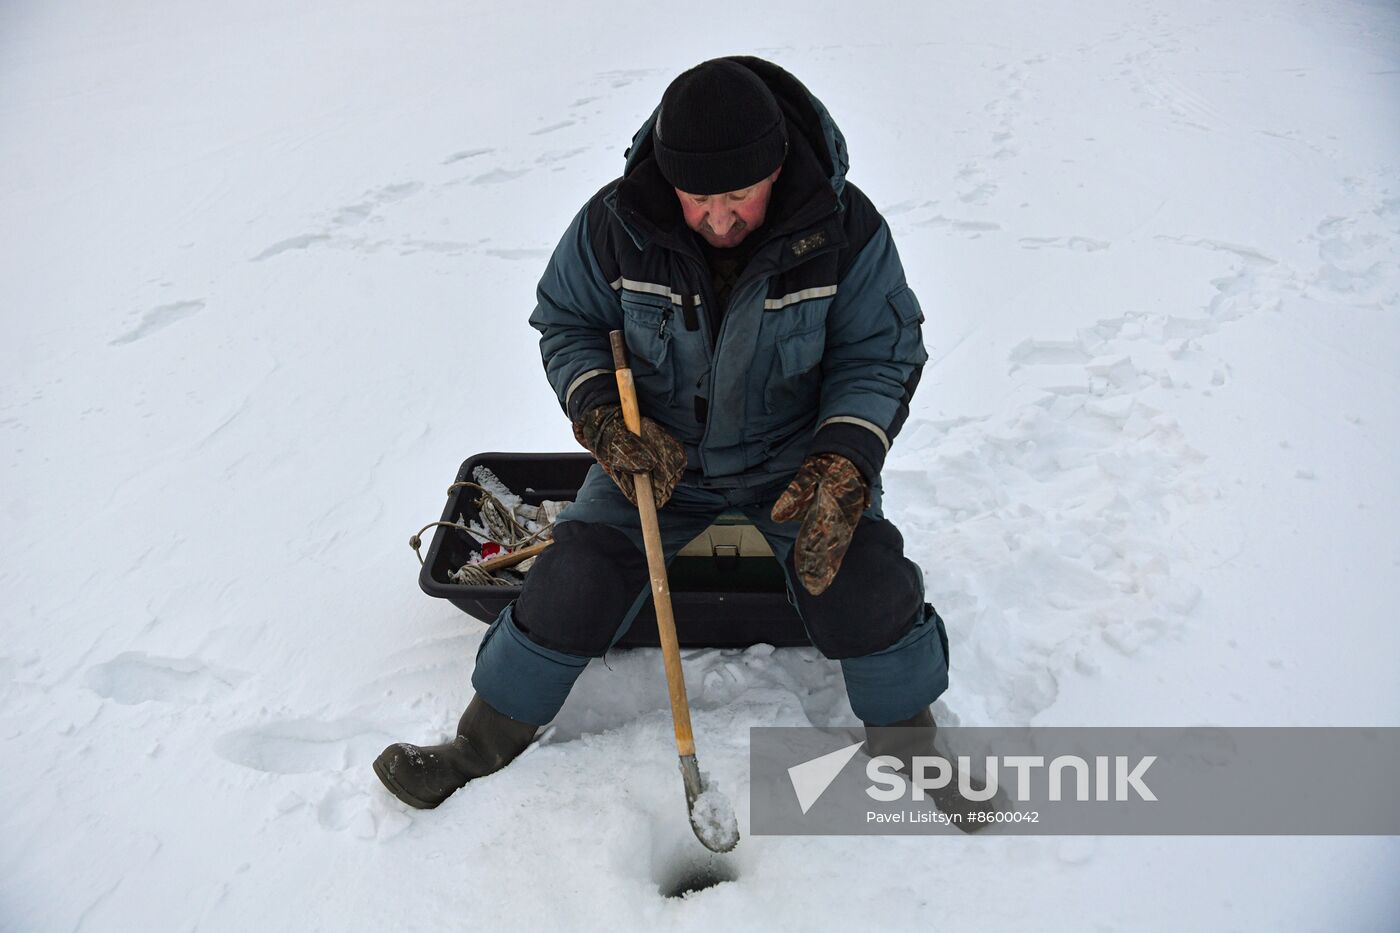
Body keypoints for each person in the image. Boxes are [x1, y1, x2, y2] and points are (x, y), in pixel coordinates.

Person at [374, 56, 982, 827]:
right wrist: (600, 412)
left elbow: (880, 352)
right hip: (656, 465)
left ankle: (911, 748)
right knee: (574, 579)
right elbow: (566, 321)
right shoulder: (618, 224)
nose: (719, 220)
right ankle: (478, 746)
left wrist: (847, 457)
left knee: (861, 578)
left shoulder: (843, 231)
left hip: (796, 467)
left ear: (780, 167)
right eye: (698, 199)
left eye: (739, 197)